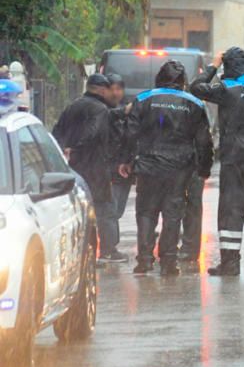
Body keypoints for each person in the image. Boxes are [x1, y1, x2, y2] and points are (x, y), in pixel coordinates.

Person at [122, 61, 213, 275]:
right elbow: (204, 141)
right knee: (173, 214)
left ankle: (144, 260)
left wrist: (125, 160)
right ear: (183, 82)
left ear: (159, 78)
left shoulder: (144, 99)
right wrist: (204, 168)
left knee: (146, 212)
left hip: (148, 166)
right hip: (179, 169)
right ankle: (169, 262)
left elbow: (130, 133)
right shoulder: (194, 104)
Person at [190, 47, 244, 276]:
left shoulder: (227, 89)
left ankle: (230, 263)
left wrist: (214, 65)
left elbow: (196, 88)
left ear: (228, 67)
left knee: (231, 209)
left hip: (235, 156)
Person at [52, 74, 118, 261]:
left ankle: (78, 252)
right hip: (95, 167)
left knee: (77, 211)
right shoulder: (100, 109)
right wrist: (77, 147)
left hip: (73, 167)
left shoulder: (73, 106)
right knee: (105, 210)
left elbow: (57, 131)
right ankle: (108, 251)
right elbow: (93, 133)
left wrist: (65, 150)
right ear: (102, 90)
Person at [104, 73, 131, 264]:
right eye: (112, 89)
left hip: (124, 170)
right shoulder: (102, 112)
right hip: (107, 170)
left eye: (119, 89)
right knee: (110, 210)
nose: (116, 93)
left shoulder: (126, 111)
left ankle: (110, 246)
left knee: (117, 210)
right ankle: (108, 248)